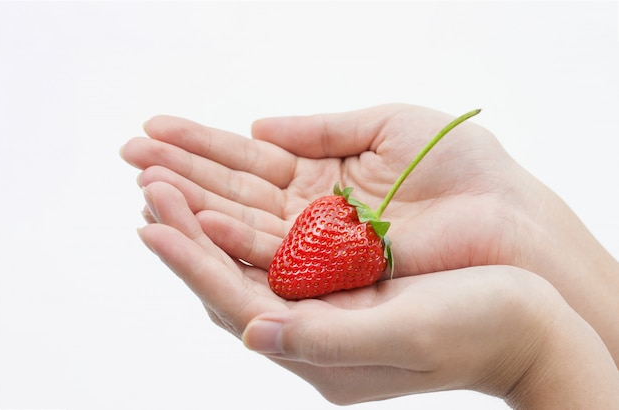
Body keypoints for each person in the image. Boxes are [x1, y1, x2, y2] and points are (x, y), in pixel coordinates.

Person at [120, 104, 619, 407]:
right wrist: (525, 228)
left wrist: (531, 357)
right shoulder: (346, 230)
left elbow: (534, 347)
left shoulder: (351, 235)